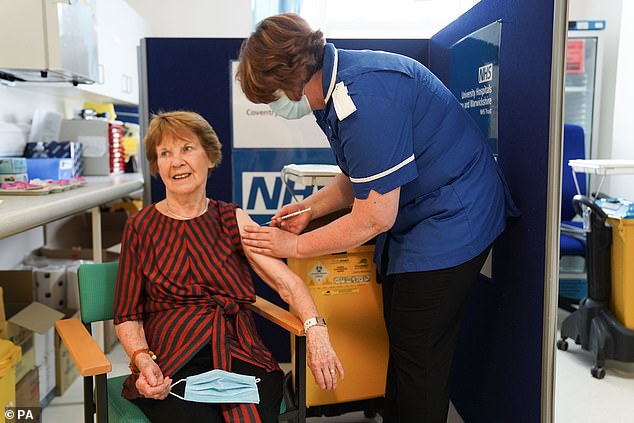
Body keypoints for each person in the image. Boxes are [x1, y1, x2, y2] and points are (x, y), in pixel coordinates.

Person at [236, 13, 519, 423]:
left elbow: (373, 218)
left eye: (272, 97)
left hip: (455, 216)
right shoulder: (333, 88)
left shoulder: (366, 95)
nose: (276, 108)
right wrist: (309, 209)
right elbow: (360, 176)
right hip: (422, 216)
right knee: (406, 344)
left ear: (292, 76)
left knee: (419, 355)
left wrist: (293, 246)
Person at [114, 111, 344, 423]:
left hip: (238, 351)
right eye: (165, 153)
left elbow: (288, 283)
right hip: (171, 357)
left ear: (209, 156)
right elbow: (127, 315)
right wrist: (142, 361)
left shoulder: (232, 218)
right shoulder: (140, 227)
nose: (176, 161)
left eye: (186, 149)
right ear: (157, 166)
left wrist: (316, 330)